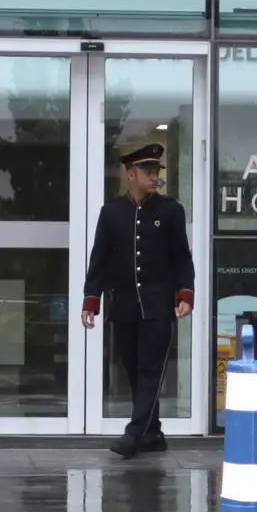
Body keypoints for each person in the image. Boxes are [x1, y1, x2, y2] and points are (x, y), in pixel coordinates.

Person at [81, 144, 195, 459]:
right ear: (131, 174)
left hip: (159, 305)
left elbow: (182, 257)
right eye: (147, 171)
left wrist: (186, 292)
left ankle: (134, 434)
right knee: (133, 369)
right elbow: (99, 259)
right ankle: (153, 433)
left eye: (156, 171)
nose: (154, 176)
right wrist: (92, 299)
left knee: (150, 371)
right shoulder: (112, 212)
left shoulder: (171, 211)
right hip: (125, 306)